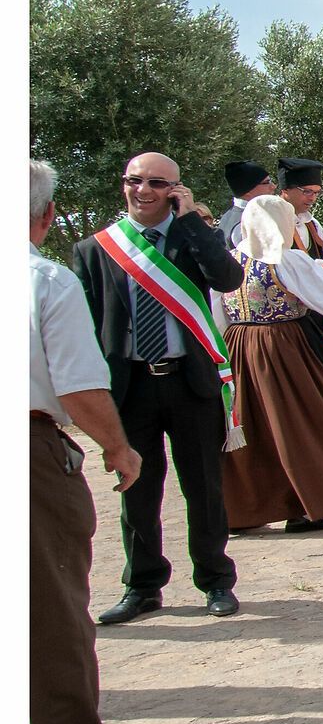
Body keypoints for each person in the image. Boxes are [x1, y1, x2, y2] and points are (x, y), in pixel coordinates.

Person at [72, 151, 247, 623]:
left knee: (204, 489)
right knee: (138, 491)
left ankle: (215, 581)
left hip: (189, 383)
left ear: (175, 189)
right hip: (130, 387)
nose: (143, 190)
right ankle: (143, 586)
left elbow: (228, 278)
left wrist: (191, 222)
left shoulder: (191, 238)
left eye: (155, 183)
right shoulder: (97, 248)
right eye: (134, 181)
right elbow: (87, 323)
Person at [31, 161, 141, 724]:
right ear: (47, 216)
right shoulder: (45, 279)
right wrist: (118, 448)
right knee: (47, 603)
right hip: (28, 447)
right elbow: (77, 385)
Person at [221, 194, 323, 533]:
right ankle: (305, 507)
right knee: (299, 423)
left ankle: (245, 510)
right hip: (286, 346)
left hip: (238, 347)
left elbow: (218, 315)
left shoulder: (227, 260)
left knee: (253, 426)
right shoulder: (287, 260)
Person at [218, 160, 275, 251]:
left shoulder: (229, 216)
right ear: (248, 190)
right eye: (266, 182)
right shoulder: (243, 223)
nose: (273, 186)